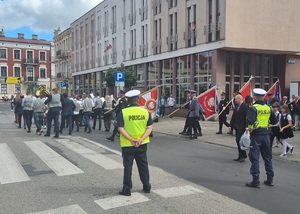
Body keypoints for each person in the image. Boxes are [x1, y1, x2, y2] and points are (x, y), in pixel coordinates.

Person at [116, 89, 153, 196]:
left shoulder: (123, 112)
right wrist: (140, 139)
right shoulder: (145, 112)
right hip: (142, 144)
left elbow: (120, 128)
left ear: (127, 100)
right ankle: (146, 186)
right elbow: (149, 128)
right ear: (138, 99)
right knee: (143, 165)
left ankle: (127, 189)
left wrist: (131, 139)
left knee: (128, 166)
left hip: (128, 144)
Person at [245, 88, 277, 188]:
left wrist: (250, 128)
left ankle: (255, 181)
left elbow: (250, 121)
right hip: (266, 135)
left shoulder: (253, 108)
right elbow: (274, 120)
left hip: (256, 136)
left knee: (254, 158)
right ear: (263, 97)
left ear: (254, 97)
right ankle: (270, 180)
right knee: (268, 158)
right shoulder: (268, 108)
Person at [233, 94, 248, 162]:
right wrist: (231, 126)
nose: (235, 100)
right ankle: (240, 155)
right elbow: (234, 116)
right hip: (237, 126)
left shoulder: (245, 106)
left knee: (240, 141)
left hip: (242, 127)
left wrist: (247, 126)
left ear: (239, 99)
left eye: (236, 99)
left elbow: (247, 117)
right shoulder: (236, 106)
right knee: (238, 141)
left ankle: (243, 155)